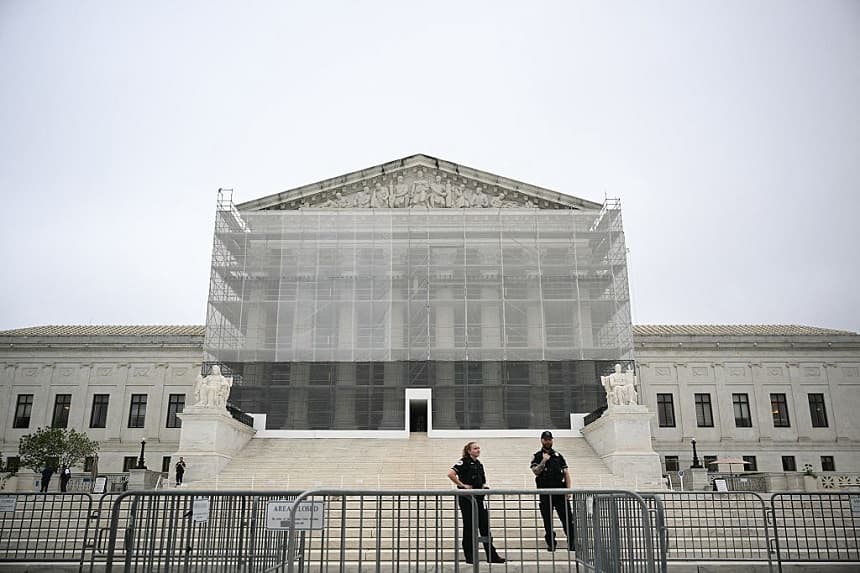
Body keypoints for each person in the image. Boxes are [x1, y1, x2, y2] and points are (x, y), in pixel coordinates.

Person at [447, 442, 505, 564]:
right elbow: (450, 474)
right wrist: (462, 486)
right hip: (467, 499)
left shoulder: (479, 464)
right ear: (469, 451)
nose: (478, 450)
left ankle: (492, 555)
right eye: (475, 448)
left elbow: (482, 481)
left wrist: (484, 487)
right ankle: (470, 556)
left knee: (484, 526)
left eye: (479, 448)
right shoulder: (464, 462)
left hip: (479, 498)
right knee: (469, 526)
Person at [530, 431, 576, 551]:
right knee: (547, 520)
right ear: (541, 440)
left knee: (567, 518)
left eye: (549, 439)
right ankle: (551, 543)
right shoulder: (537, 456)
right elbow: (536, 471)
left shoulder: (558, 456)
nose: (548, 441)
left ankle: (572, 542)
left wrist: (568, 490)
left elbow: (566, 474)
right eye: (545, 439)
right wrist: (544, 461)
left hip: (560, 492)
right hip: (545, 493)